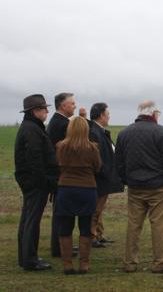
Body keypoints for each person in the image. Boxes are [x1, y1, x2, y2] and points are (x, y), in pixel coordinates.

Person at [116, 100, 163, 274]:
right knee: (158, 225)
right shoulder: (161, 132)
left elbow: (119, 162)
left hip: (135, 186)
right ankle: (159, 262)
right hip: (160, 187)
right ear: (154, 114)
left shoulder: (124, 133)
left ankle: (129, 262)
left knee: (133, 224)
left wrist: (126, 180)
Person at [14, 94, 59, 271]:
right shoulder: (32, 130)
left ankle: (26, 257)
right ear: (34, 111)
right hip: (35, 183)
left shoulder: (31, 127)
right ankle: (30, 260)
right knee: (31, 221)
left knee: (27, 220)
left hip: (30, 181)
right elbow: (35, 160)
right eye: (43, 109)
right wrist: (46, 182)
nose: (47, 111)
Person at [55, 117, 102, 274]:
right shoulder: (92, 148)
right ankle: (84, 264)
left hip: (66, 189)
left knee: (65, 228)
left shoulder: (61, 147)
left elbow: (57, 165)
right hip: (87, 190)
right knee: (85, 228)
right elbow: (98, 167)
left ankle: (67, 264)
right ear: (86, 130)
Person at [47, 92, 85, 257]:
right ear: (63, 106)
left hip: (59, 174)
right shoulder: (61, 124)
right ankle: (59, 248)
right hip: (62, 175)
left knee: (60, 214)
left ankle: (60, 246)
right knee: (60, 215)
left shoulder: (57, 121)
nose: (75, 106)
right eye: (72, 104)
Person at [88, 103, 123, 248]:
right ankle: (92, 237)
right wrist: (106, 172)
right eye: (107, 114)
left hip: (104, 178)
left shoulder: (100, 131)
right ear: (101, 115)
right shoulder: (94, 133)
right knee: (95, 209)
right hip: (100, 179)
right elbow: (96, 159)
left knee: (99, 210)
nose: (109, 117)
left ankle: (99, 234)